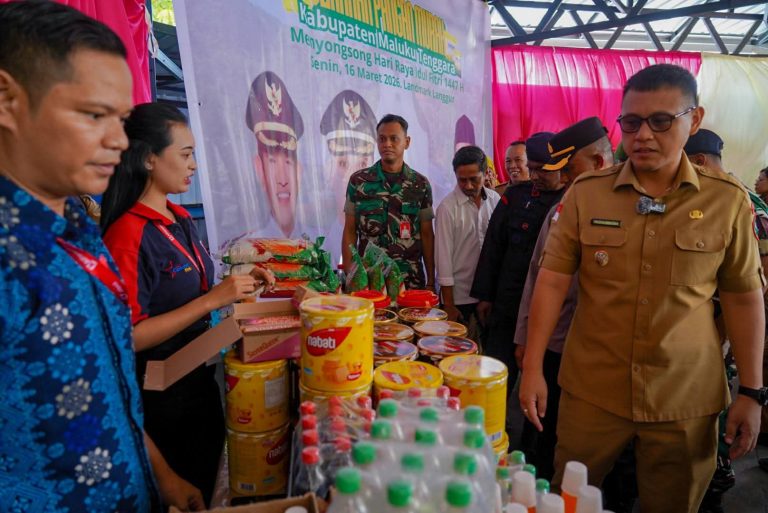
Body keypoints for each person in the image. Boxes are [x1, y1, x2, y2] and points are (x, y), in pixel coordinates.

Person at [520, 63, 766, 513]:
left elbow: (743, 296)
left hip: (684, 401)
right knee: (569, 498)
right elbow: (552, 280)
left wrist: (751, 391)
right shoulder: (586, 194)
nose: (644, 136)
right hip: (592, 391)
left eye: (661, 121)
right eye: (631, 123)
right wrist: (532, 365)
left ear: (694, 120)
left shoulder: (726, 200)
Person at [0, 2, 204, 511]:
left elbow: (110, 386)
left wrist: (159, 474)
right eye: (94, 115)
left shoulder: (79, 233)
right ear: (7, 100)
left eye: (121, 119)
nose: (118, 142)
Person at [101, 103, 275, 507]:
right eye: (185, 154)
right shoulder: (127, 234)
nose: (194, 165)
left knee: (209, 480)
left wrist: (238, 286)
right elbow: (127, 337)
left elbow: (189, 294)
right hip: (161, 403)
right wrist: (213, 300)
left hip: (197, 384)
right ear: (148, 158)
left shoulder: (178, 220)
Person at [514, 117, 614, 479]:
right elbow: (536, 280)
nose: (565, 180)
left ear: (599, 164)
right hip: (556, 346)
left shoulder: (636, 210)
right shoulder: (564, 208)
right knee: (545, 436)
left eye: (571, 170)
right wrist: (526, 340)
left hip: (602, 356)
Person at [471, 131, 564, 406]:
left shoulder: (573, 200)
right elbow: (493, 247)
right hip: (507, 305)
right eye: (531, 169)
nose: (534, 176)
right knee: (496, 374)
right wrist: (485, 296)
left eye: (541, 170)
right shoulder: (516, 196)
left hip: (547, 310)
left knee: (544, 380)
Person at [342, 114, 435, 290]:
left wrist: (431, 280)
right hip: (369, 281)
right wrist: (350, 275)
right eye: (382, 139)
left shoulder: (420, 185)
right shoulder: (359, 181)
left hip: (410, 281)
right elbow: (349, 231)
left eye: (394, 139)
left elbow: (427, 235)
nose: (387, 144)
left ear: (407, 142)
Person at [435, 146, 500, 335]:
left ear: (485, 173)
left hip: (488, 296)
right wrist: (449, 304)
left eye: (474, 179)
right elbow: (444, 260)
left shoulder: (495, 201)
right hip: (458, 299)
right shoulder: (447, 208)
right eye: (462, 180)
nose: (468, 185)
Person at [245, 70, 304, 237]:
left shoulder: (321, 242)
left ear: (299, 171)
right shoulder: (247, 248)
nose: (283, 179)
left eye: (288, 163)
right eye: (271, 161)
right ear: (259, 169)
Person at [320, 90, 376, 222]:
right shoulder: (317, 237)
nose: (352, 177)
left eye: (362, 164)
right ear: (328, 171)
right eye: (343, 164)